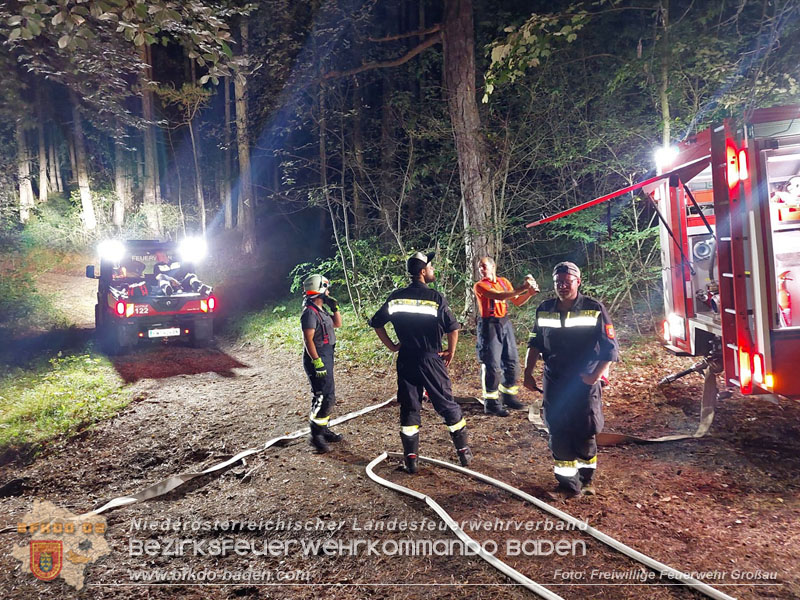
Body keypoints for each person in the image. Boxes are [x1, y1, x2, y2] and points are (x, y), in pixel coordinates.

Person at [369, 251, 472, 473]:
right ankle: (463, 453)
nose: (433, 271)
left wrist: (392, 346)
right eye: (431, 267)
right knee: (446, 403)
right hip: (430, 358)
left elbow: (377, 323)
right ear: (423, 272)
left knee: (409, 407)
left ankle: (411, 460)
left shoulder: (395, 297)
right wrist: (450, 352)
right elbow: (453, 328)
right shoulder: (435, 298)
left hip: (406, 359)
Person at [523, 262, 618, 498]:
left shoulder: (593, 308)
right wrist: (527, 372)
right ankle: (567, 484)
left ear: (578, 281)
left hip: (583, 381)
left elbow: (611, 348)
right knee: (557, 429)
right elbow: (534, 343)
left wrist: (594, 376)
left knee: (585, 429)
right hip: (554, 380)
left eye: (567, 281)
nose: (562, 286)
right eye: (558, 282)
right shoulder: (544, 309)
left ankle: (586, 480)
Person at [473, 257, 539, 416]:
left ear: (493, 266)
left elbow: (517, 301)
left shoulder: (503, 281)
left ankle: (508, 397)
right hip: (489, 325)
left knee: (511, 362)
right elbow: (499, 296)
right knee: (492, 365)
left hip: (504, 322)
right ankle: (491, 404)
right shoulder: (480, 285)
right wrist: (523, 287)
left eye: (484, 266)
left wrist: (529, 293)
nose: (482, 270)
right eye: (480, 268)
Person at [301, 274, 344, 453]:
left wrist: (335, 308)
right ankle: (315, 435)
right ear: (320, 290)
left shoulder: (321, 309)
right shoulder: (309, 312)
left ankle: (323, 429)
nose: (329, 291)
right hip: (317, 357)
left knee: (327, 394)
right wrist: (317, 361)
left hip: (326, 354)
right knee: (323, 397)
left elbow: (337, 324)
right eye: (326, 288)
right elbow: (308, 340)